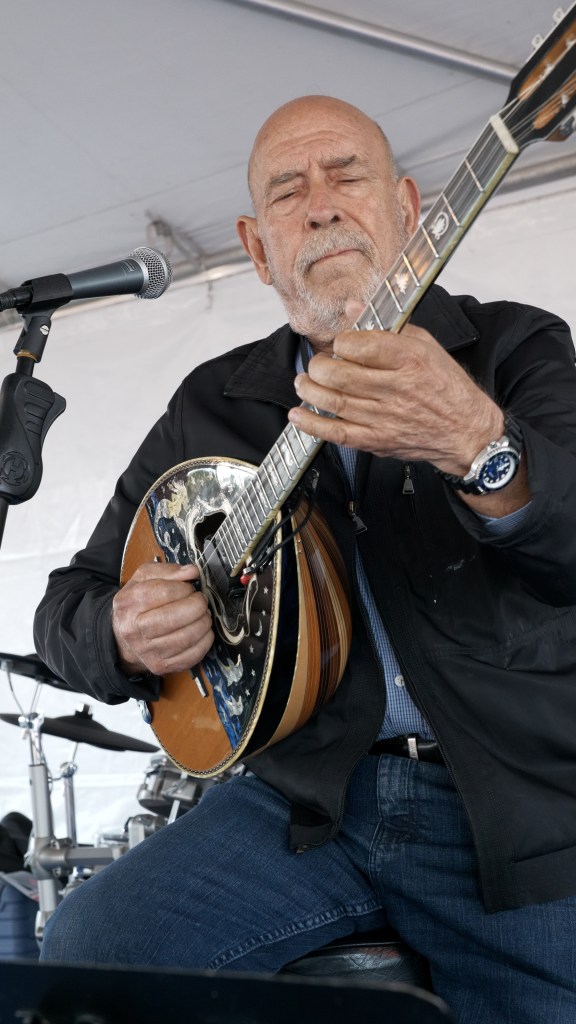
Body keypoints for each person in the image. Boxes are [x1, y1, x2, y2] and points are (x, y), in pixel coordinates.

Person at [34, 96, 576, 1022]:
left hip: (514, 799)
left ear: (407, 207)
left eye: (347, 176)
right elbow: (66, 608)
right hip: (310, 798)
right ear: (256, 247)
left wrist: (481, 447)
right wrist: (121, 632)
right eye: (287, 192)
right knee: (92, 945)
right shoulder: (213, 403)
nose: (320, 206)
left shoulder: (515, 347)